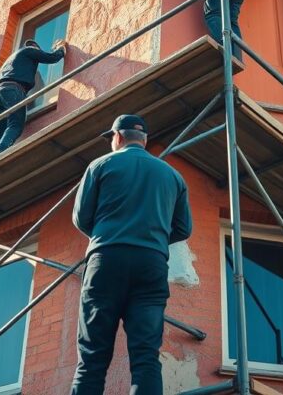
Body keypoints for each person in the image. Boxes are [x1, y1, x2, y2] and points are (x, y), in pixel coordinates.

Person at [70, 114, 192, 395]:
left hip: (106, 259)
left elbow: (81, 218)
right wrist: (153, 238)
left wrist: (108, 235)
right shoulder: (172, 175)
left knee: (92, 358)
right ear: (144, 140)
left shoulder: (100, 165)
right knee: (146, 357)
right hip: (151, 264)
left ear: (118, 137)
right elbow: (183, 228)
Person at [0, 38, 67, 161]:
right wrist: (60, 49)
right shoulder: (30, 50)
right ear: (34, 47)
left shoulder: (10, 61)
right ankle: (1, 155)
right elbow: (52, 58)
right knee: (15, 125)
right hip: (12, 90)